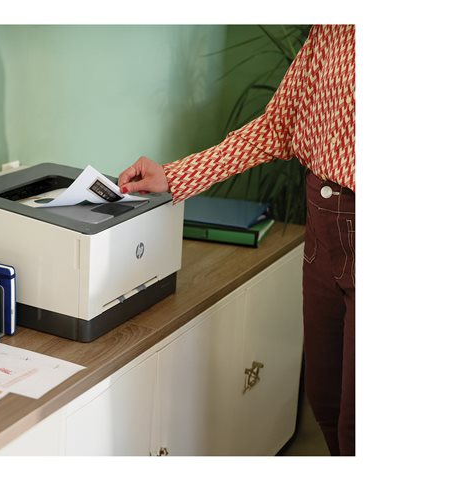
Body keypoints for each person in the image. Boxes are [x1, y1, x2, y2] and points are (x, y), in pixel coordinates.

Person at [118, 24, 355, 456]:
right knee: (326, 401)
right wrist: (174, 175)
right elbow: (276, 128)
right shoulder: (332, 30)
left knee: (359, 424)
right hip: (324, 228)